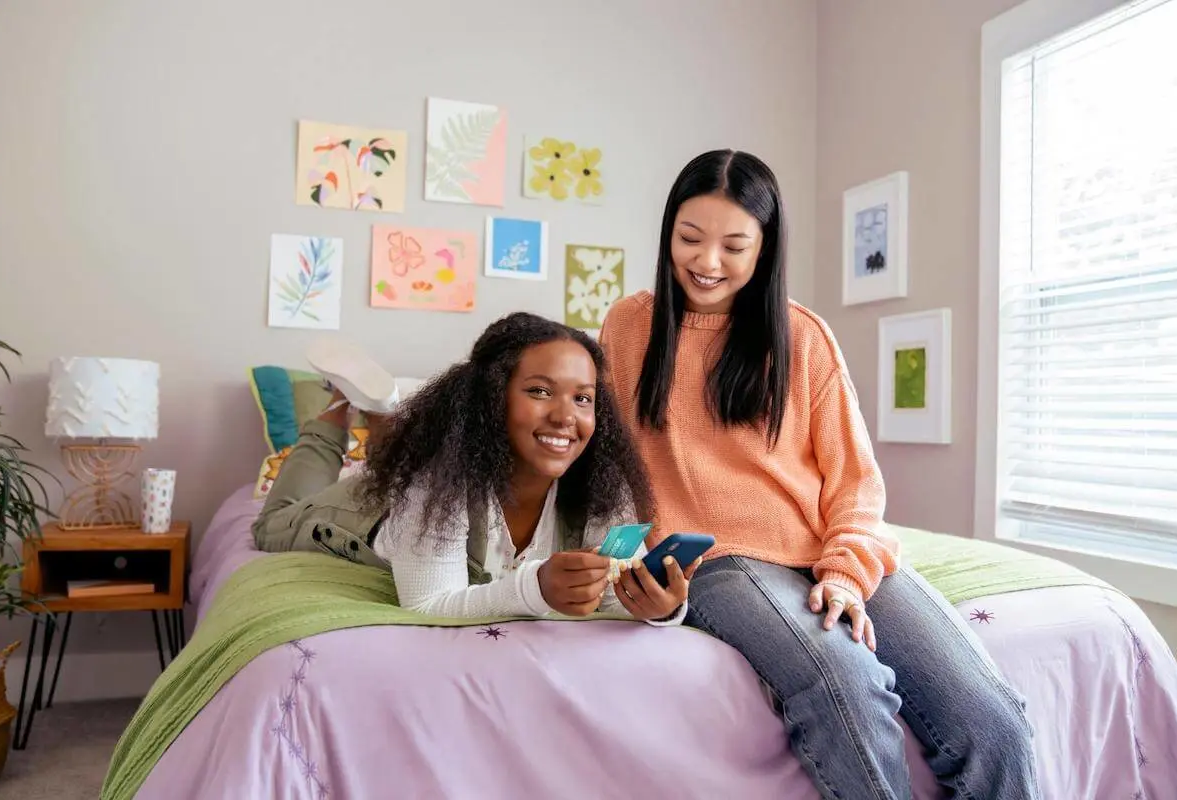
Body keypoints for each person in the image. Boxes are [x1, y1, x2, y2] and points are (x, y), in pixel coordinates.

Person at [599, 150, 1039, 799]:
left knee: (993, 722)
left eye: (734, 245)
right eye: (689, 238)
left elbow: (856, 485)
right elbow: (609, 470)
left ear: (765, 248)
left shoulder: (802, 337)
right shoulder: (629, 327)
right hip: (721, 561)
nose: (707, 261)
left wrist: (844, 575)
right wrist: (627, 569)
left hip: (832, 549)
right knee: (846, 684)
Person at [253, 315, 692, 623]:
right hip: (367, 519)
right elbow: (426, 604)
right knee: (273, 522)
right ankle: (336, 411)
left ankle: (380, 412)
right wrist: (534, 588)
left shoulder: (601, 481)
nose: (565, 417)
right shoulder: (437, 478)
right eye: (540, 391)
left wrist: (659, 606)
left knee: (396, 465)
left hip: (413, 504)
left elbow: (614, 593)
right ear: (492, 397)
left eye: (582, 398)